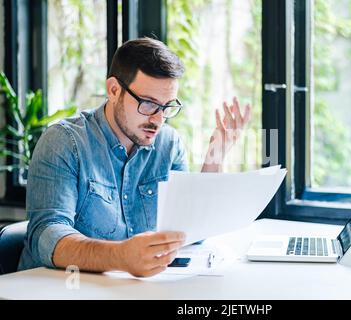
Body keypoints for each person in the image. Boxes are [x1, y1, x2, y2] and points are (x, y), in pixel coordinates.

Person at [18, 37, 252, 277]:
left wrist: (215, 157)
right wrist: (120, 256)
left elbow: (189, 230)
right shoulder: (64, 142)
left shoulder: (168, 144)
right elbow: (46, 234)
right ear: (113, 90)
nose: (158, 119)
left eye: (166, 107)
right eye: (148, 104)